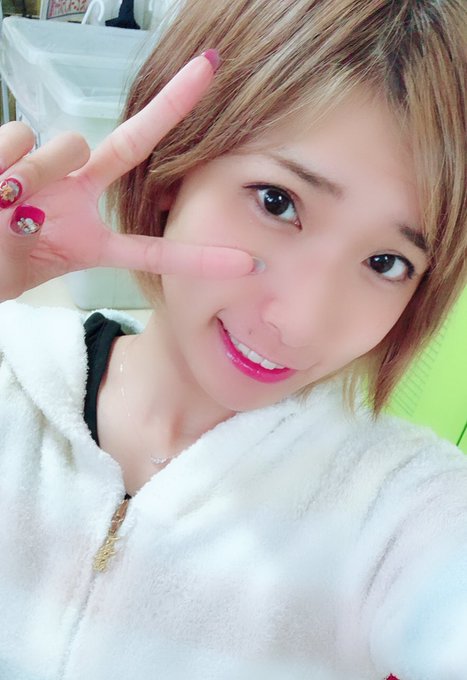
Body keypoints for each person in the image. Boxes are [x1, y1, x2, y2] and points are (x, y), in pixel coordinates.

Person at [0, 0, 465, 678]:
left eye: (385, 263)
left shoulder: (398, 506)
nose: (300, 322)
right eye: (277, 202)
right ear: (175, 167)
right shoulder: (12, 378)